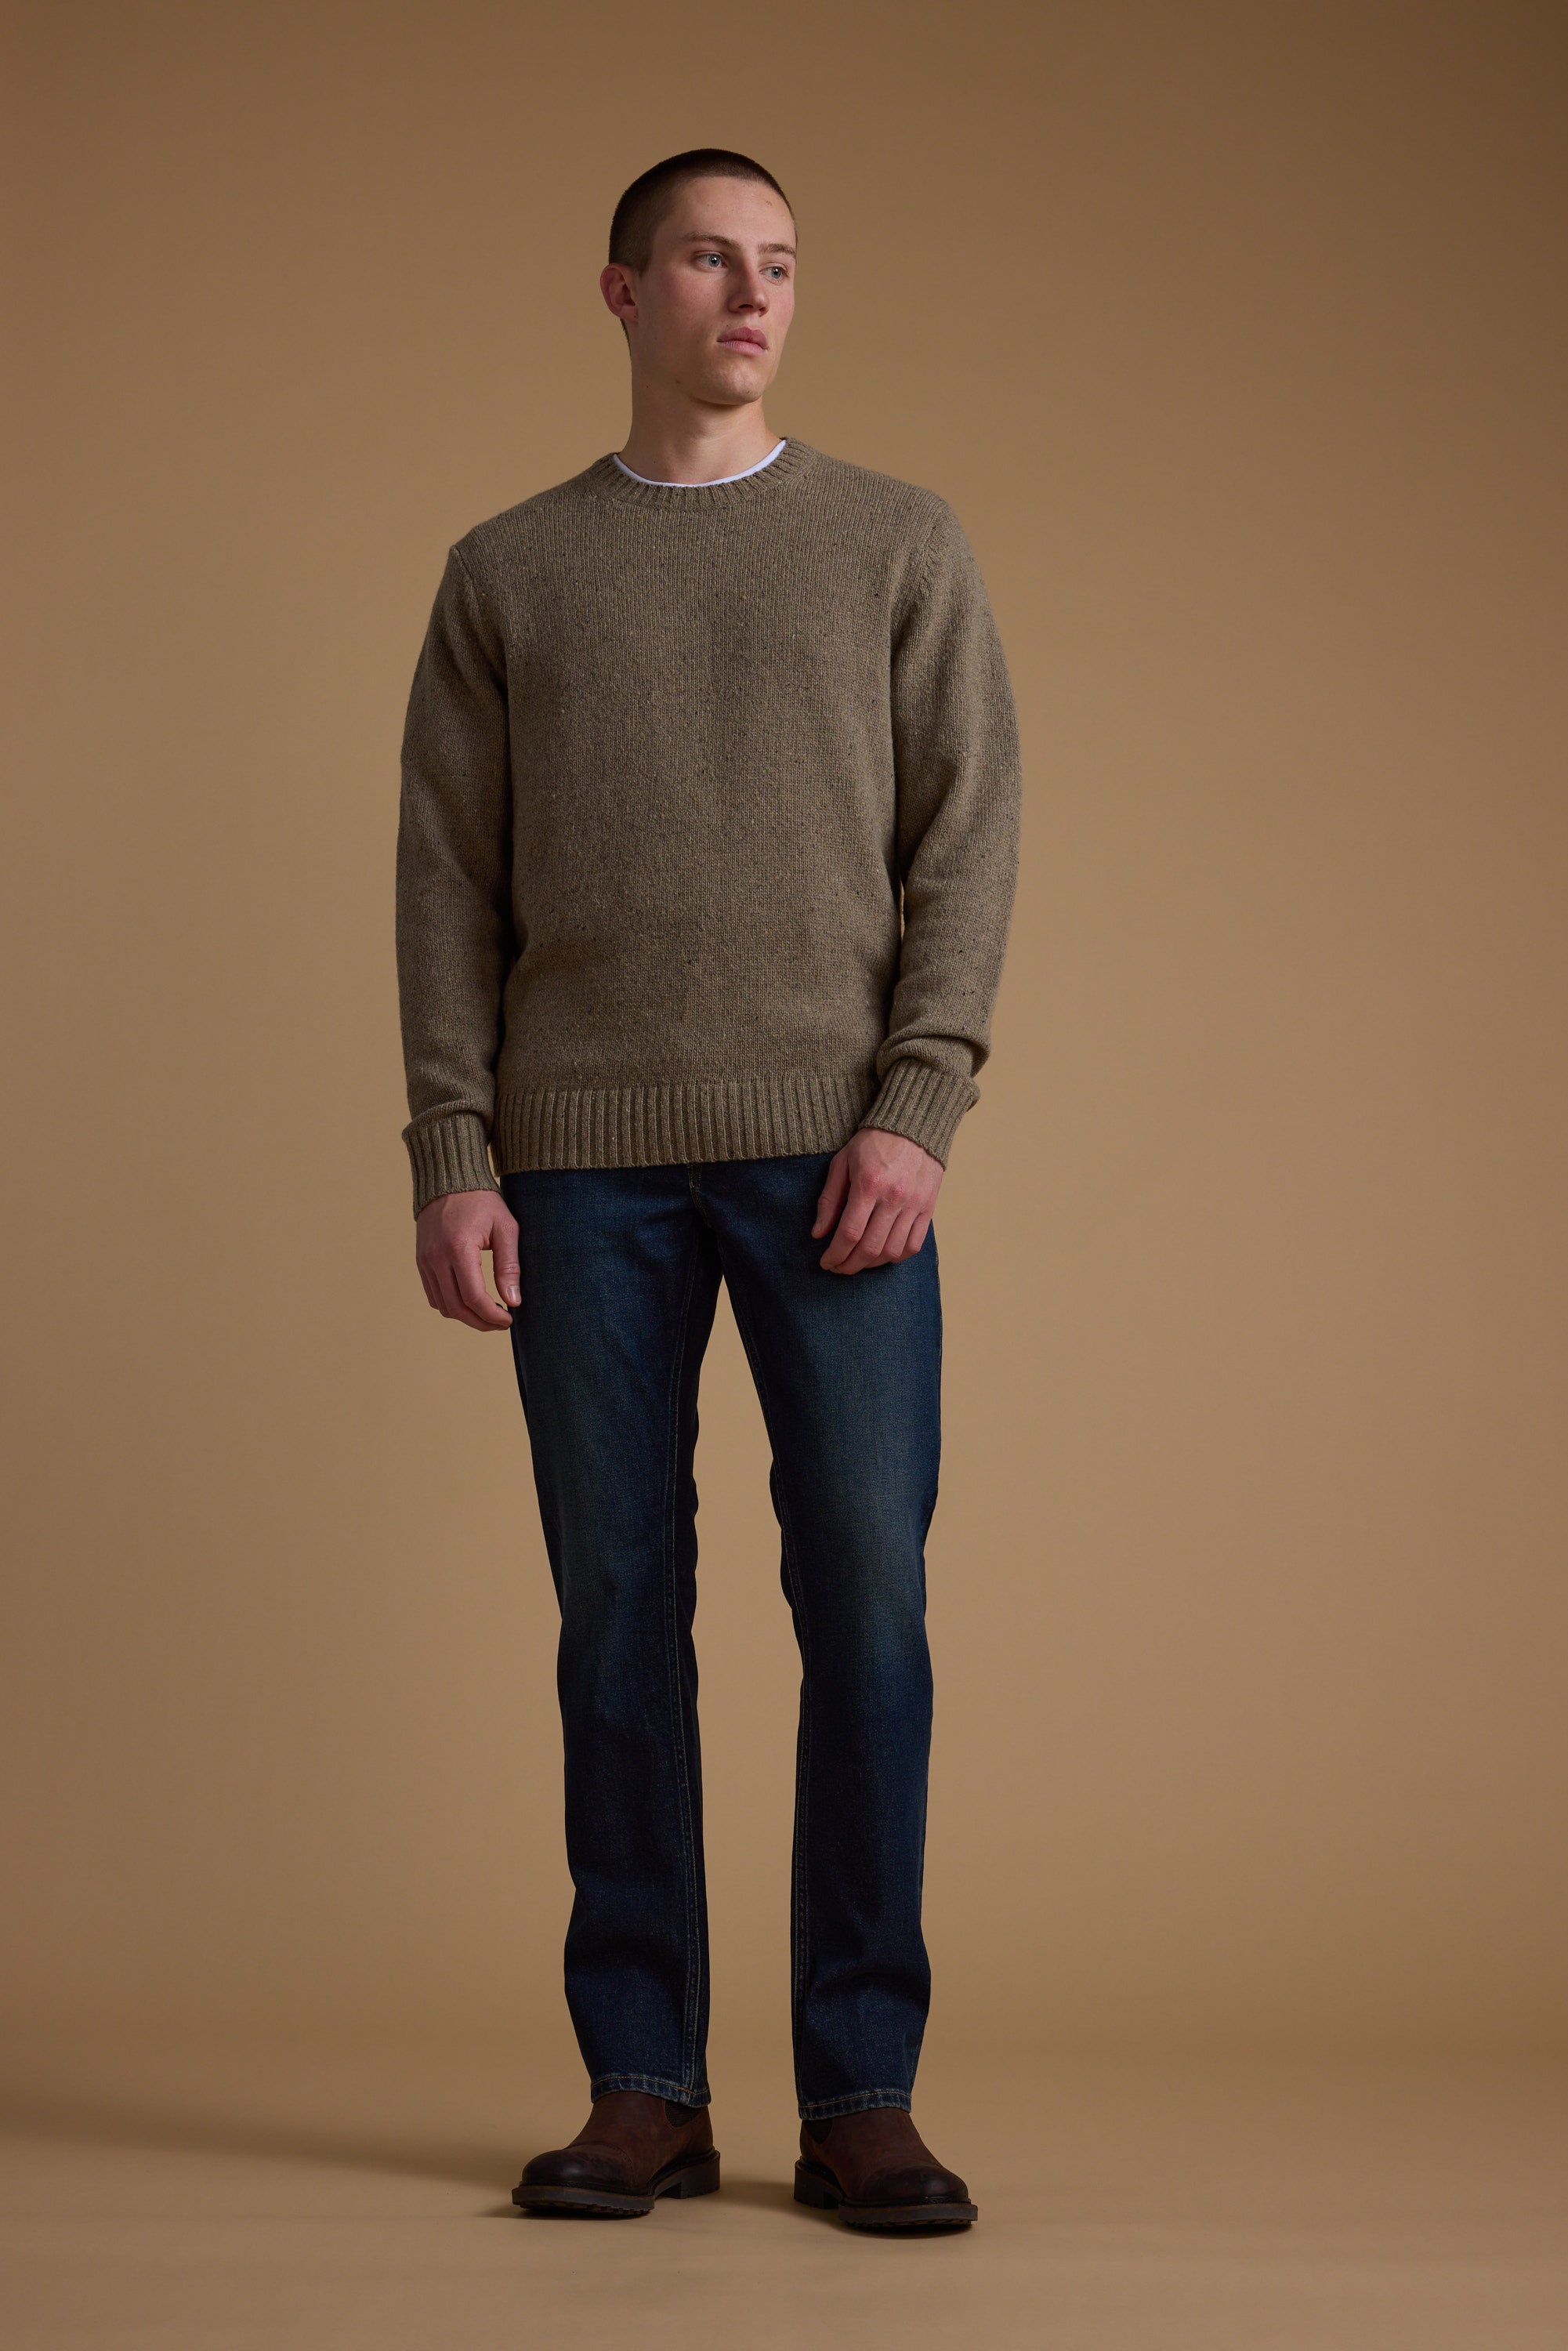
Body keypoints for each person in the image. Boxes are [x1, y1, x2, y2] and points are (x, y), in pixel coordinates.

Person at [394, 147, 1021, 2233]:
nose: (748, 298)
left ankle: (861, 2086)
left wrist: (916, 1108)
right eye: (705, 260)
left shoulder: (895, 544)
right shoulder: (509, 570)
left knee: (865, 1602)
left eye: (776, 268)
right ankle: (642, 2078)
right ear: (619, 289)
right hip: (578, 1171)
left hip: (837, 1155)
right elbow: (444, 886)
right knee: (614, 1623)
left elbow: (966, 842)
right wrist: (452, 1153)